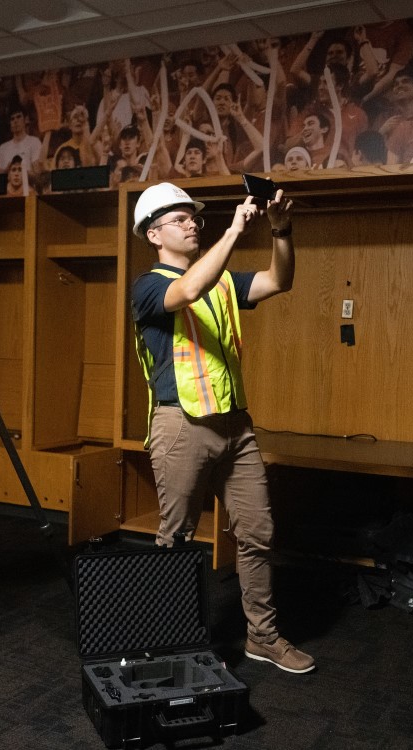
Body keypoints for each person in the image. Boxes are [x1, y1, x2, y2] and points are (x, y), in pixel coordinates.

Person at [130, 182, 315, 675]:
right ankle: (172, 638)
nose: (192, 223)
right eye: (180, 219)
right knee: (177, 538)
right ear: (154, 235)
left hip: (236, 427)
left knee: (257, 533)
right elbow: (188, 289)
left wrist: (280, 230)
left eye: (195, 218)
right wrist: (236, 227)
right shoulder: (148, 287)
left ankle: (263, 637)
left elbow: (280, 280)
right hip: (180, 425)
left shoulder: (225, 282)